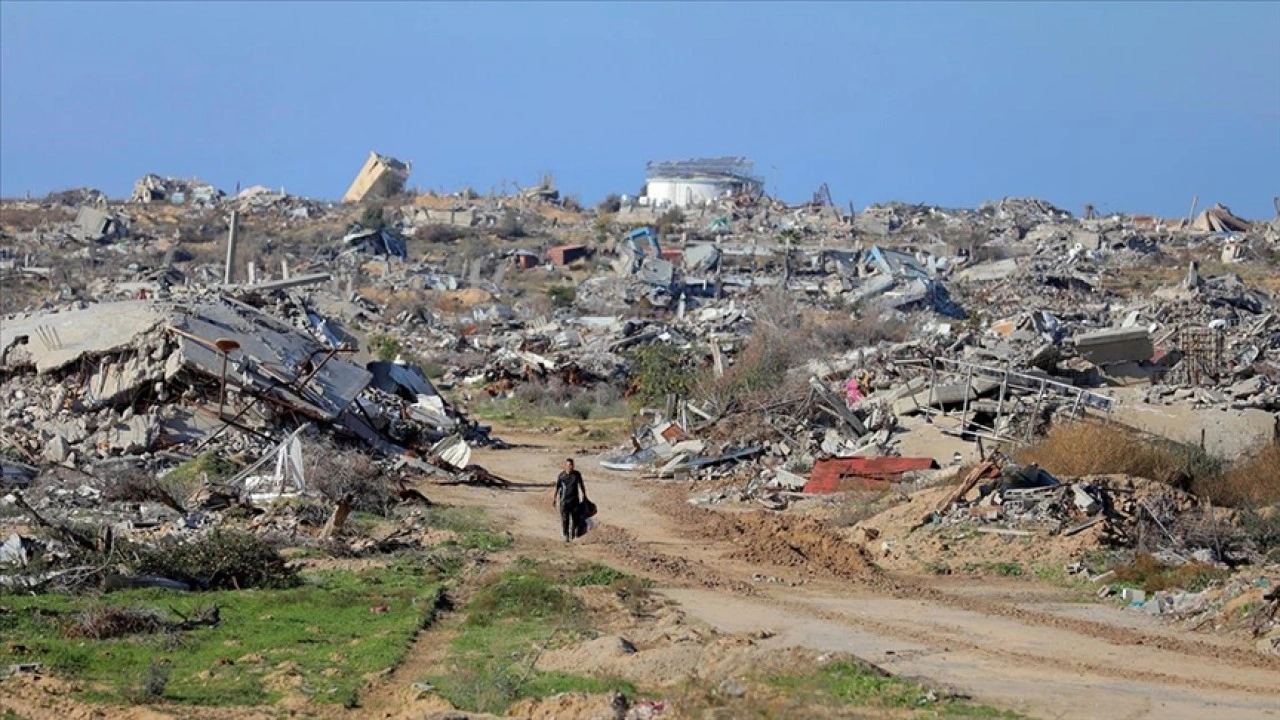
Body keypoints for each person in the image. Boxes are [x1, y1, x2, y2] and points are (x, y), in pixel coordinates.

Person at [553, 458, 587, 542]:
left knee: (575, 518)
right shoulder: (562, 476)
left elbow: (581, 485)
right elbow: (557, 487)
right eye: (569, 465)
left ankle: (573, 533)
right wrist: (554, 498)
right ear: (565, 466)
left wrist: (584, 495)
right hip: (564, 501)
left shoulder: (577, 474)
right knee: (565, 519)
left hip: (575, 501)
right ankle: (566, 535)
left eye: (572, 465)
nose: (571, 467)